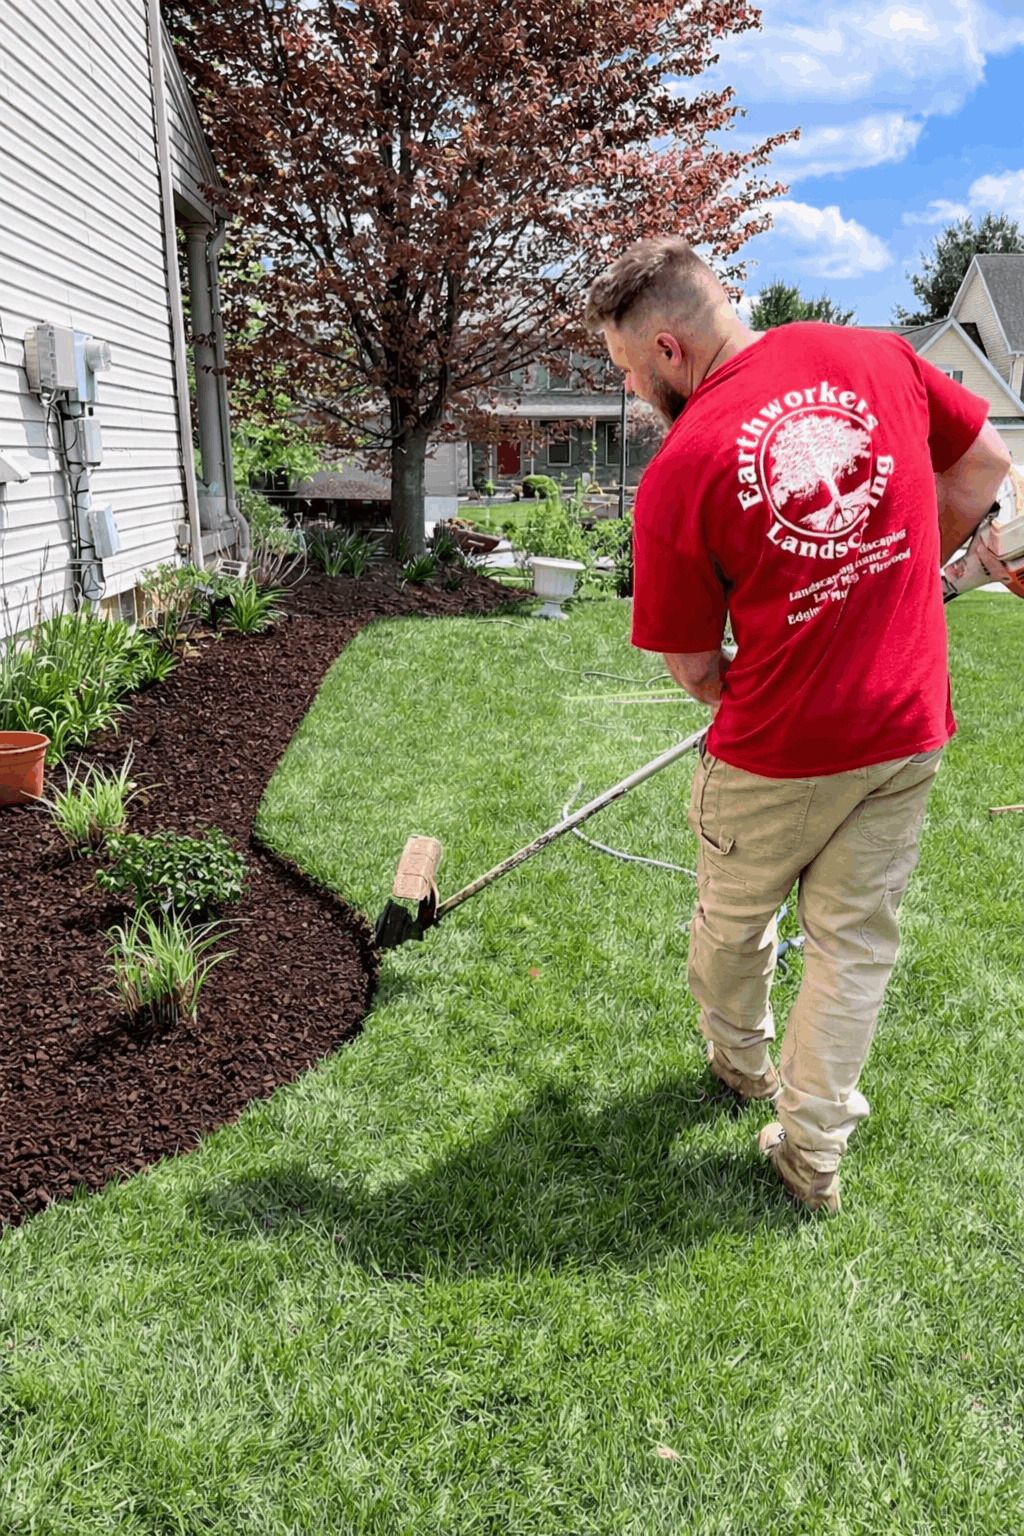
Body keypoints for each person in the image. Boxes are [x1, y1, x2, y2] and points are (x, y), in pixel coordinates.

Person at [584, 237, 1011, 1213]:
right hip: (907, 728)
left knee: (734, 924)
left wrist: (764, 669)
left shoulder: (683, 466)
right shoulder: (877, 355)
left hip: (774, 755)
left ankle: (740, 1066)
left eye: (625, 369)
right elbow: (983, 464)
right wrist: (900, 580)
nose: (629, 387)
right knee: (854, 941)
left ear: (666, 349)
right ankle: (811, 1151)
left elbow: (694, 668)